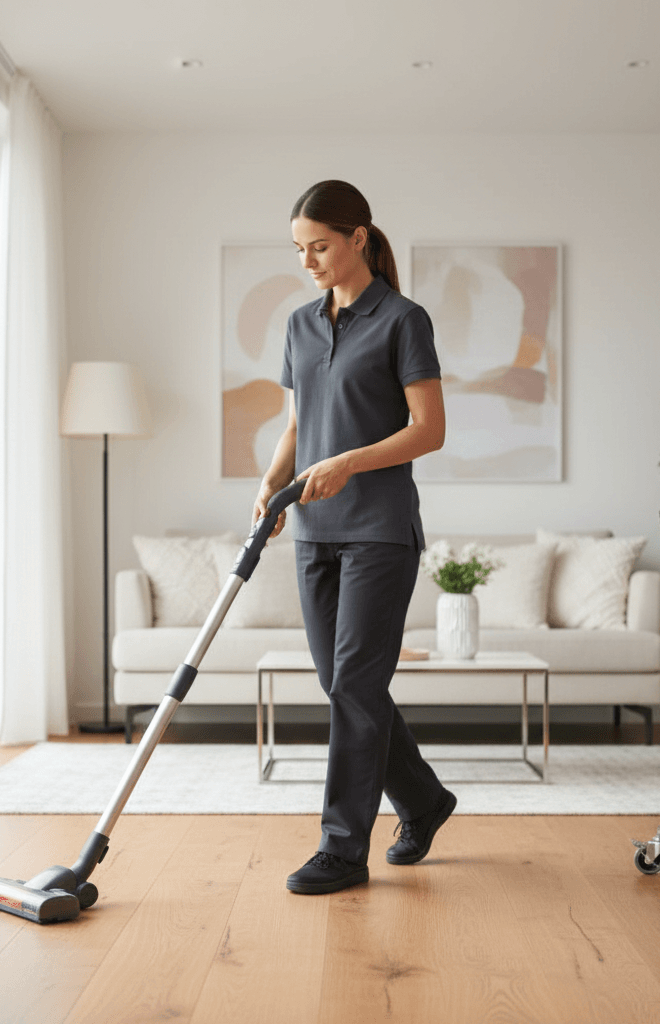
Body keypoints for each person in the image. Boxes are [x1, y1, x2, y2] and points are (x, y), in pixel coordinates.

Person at [253, 180, 456, 895]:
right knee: (345, 686)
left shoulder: (403, 319)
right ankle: (425, 802)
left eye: (320, 246)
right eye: (300, 249)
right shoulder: (301, 326)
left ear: (358, 238)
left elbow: (428, 430)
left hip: (379, 532)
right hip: (314, 531)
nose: (308, 260)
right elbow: (296, 425)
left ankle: (342, 847)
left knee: (356, 687)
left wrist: (349, 461)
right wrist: (272, 486)